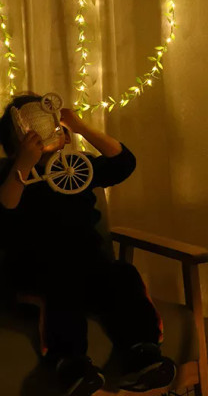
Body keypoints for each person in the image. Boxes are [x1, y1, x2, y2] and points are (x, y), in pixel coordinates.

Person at [0, 93, 176, 396]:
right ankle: (71, 364)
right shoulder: (10, 175)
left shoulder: (74, 167)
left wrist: (81, 127)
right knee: (61, 288)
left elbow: (123, 163)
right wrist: (23, 164)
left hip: (88, 263)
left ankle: (142, 354)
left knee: (122, 276)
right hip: (37, 270)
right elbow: (5, 209)